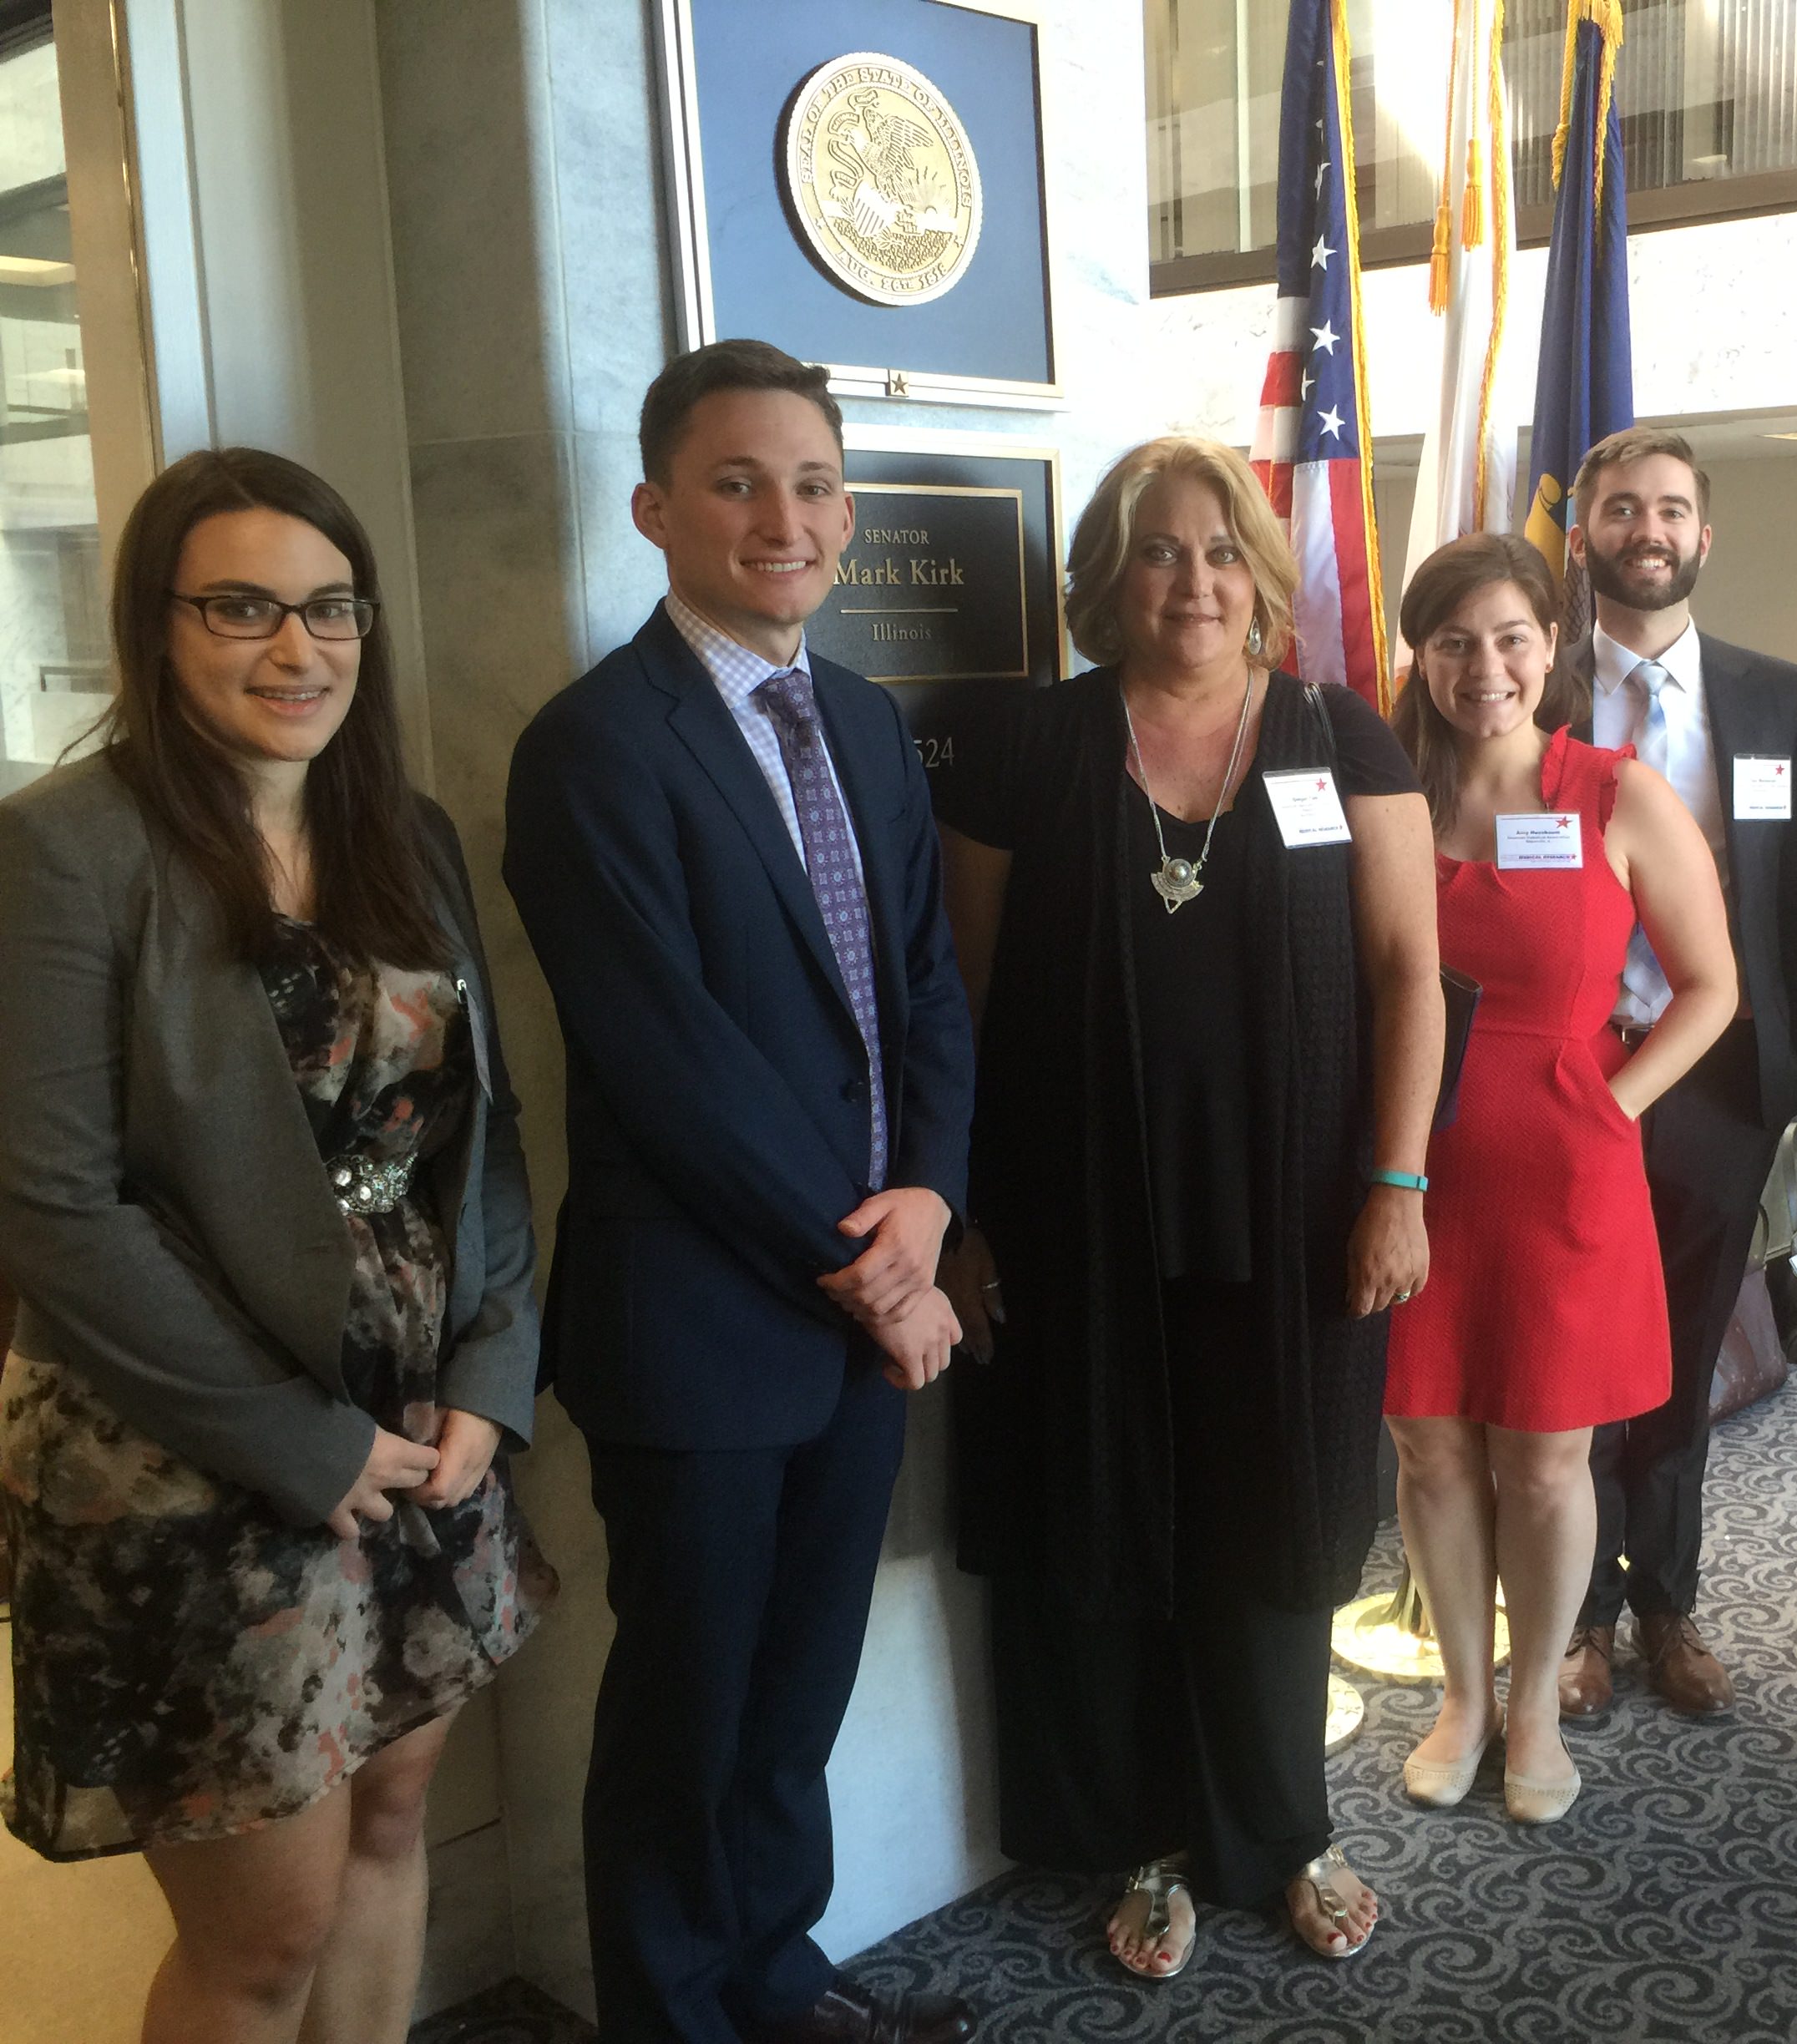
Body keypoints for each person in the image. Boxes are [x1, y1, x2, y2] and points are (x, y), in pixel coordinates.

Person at [0, 447, 550, 2044]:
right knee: (265, 1936)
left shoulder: (407, 831)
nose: (296, 648)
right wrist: (295, 1442)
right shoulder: (65, 848)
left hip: (420, 1425)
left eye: (329, 610)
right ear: (157, 626)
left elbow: (484, 1137)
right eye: (242, 608)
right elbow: (54, 1208)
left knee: (391, 1829)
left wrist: (490, 1372)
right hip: (189, 1448)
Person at [504, 341, 977, 2044]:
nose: (785, 517)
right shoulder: (591, 749)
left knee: (793, 1706)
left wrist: (928, 1195)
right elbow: (671, 1064)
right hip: (702, 1330)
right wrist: (878, 1274)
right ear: (655, 509)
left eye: (813, 482)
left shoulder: (855, 719)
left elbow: (923, 984)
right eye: (736, 481)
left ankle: (779, 1985)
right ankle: (678, 2021)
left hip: (860, 1316)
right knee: (686, 1722)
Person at [931, 436, 1442, 1982]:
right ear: (1109, 575)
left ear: (1266, 580)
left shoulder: (1339, 737)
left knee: (1272, 1518)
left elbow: (1410, 975)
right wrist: (961, 1218)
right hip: (1073, 1214)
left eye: (1224, 552)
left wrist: (1398, 1185)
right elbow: (960, 996)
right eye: (1161, 551)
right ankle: (1140, 1831)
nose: (1195, 581)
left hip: (1294, 1218)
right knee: (1101, 1518)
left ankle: (1281, 1827)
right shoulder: (1032, 748)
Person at [1383, 533, 1735, 1823]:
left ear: (1553, 648)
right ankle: (1461, 1696)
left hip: (1563, 1169)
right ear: (1419, 657)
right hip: (1408, 1167)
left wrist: (1614, 1101)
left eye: (1512, 638)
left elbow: (1713, 987)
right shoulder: (1386, 795)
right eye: (1456, 641)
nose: (1487, 667)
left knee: (1543, 1456)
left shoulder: (1613, 794)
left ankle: (1534, 1703)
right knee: (1427, 1449)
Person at [1555, 426, 1797, 1724]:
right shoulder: (1531, 683)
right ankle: (1575, 1622)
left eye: (1670, 509)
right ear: (1585, 534)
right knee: (1576, 1359)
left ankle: (1667, 1605)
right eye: (1622, 509)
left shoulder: (1777, 697)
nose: (1647, 529)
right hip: (1571, 1080)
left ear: (1704, 535)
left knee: (1679, 1355)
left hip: (1721, 1085)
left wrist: (1786, 1079)